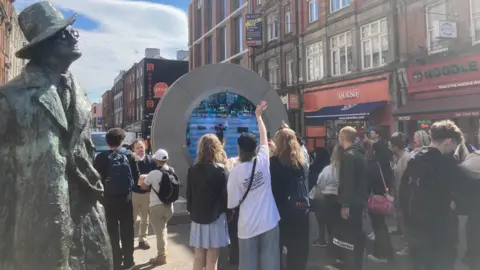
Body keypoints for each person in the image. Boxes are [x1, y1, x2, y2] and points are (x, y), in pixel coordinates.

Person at [0, 2, 113, 269]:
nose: (73, 35)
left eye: (71, 29)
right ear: (44, 47)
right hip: (38, 223)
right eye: (62, 32)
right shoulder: (11, 97)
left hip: (86, 217)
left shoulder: (81, 94)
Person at [399, 120, 468, 270]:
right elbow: (460, 194)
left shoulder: (414, 160)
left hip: (416, 232)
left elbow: (403, 195)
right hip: (440, 235)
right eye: (455, 145)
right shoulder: (446, 164)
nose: (454, 150)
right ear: (449, 141)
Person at [227, 101, 281, 270]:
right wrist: (258, 117)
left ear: (239, 149)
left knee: (248, 264)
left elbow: (232, 203)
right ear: (254, 149)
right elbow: (264, 138)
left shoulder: (235, 172)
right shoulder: (263, 160)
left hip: (247, 226)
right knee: (271, 262)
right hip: (269, 220)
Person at [94, 128, 139, 270]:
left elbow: (96, 179)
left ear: (108, 142)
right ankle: (129, 261)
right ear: (121, 141)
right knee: (127, 230)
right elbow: (136, 178)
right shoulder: (130, 156)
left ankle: (115, 260)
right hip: (126, 198)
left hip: (108, 199)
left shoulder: (101, 158)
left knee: (112, 231)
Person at [187, 134, 230, 270]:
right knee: (212, 259)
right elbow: (225, 196)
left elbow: (189, 194)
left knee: (198, 256)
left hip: (197, 216)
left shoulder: (192, 169)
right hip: (216, 216)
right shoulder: (221, 170)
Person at [270, 128, 310, 270]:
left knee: (278, 249)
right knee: (298, 250)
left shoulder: (274, 162)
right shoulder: (302, 161)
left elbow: (274, 190)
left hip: (281, 211)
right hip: (300, 209)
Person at [335, 126, 369, 270]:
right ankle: (357, 263)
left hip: (352, 202)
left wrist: (345, 205)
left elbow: (347, 182)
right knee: (357, 234)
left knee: (349, 236)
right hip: (360, 200)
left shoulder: (348, 156)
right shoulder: (361, 155)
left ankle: (351, 264)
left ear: (343, 138)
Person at [141, 149, 175, 266]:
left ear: (156, 160)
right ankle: (163, 252)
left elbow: (144, 186)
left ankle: (161, 256)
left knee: (159, 232)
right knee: (163, 229)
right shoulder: (171, 170)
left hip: (156, 207)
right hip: (169, 206)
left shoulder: (153, 173)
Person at [365, 142, 394, 264]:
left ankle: (382, 254)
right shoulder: (386, 164)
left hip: (376, 198)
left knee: (379, 227)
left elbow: (368, 183)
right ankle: (387, 253)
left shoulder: (374, 165)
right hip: (384, 197)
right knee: (382, 226)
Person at [315, 144, 344, 268]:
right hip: (344, 199)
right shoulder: (349, 168)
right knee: (342, 229)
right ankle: (342, 255)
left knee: (332, 229)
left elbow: (320, 183)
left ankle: (334, 257)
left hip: (330, 200)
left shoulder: (329, 169)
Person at [132, 139, 156, 250]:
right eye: (137, 147)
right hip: (134, 193)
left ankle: (142, 239)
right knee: (131, 218)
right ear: (134, 149)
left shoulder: (151, 160)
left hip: (147, 194)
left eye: (141, 147)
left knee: (145, 219)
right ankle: (129, 240)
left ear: (145, 147)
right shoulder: (131, 160)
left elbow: (155, 175)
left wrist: (148, 185)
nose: (140, 149)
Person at [309, 147, 331, 247]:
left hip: (320, 197)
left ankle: (321, 239)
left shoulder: (316, 169)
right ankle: (331, 240)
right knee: (330, 221)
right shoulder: (330, 167)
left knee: (320, 220)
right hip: (331, 196)